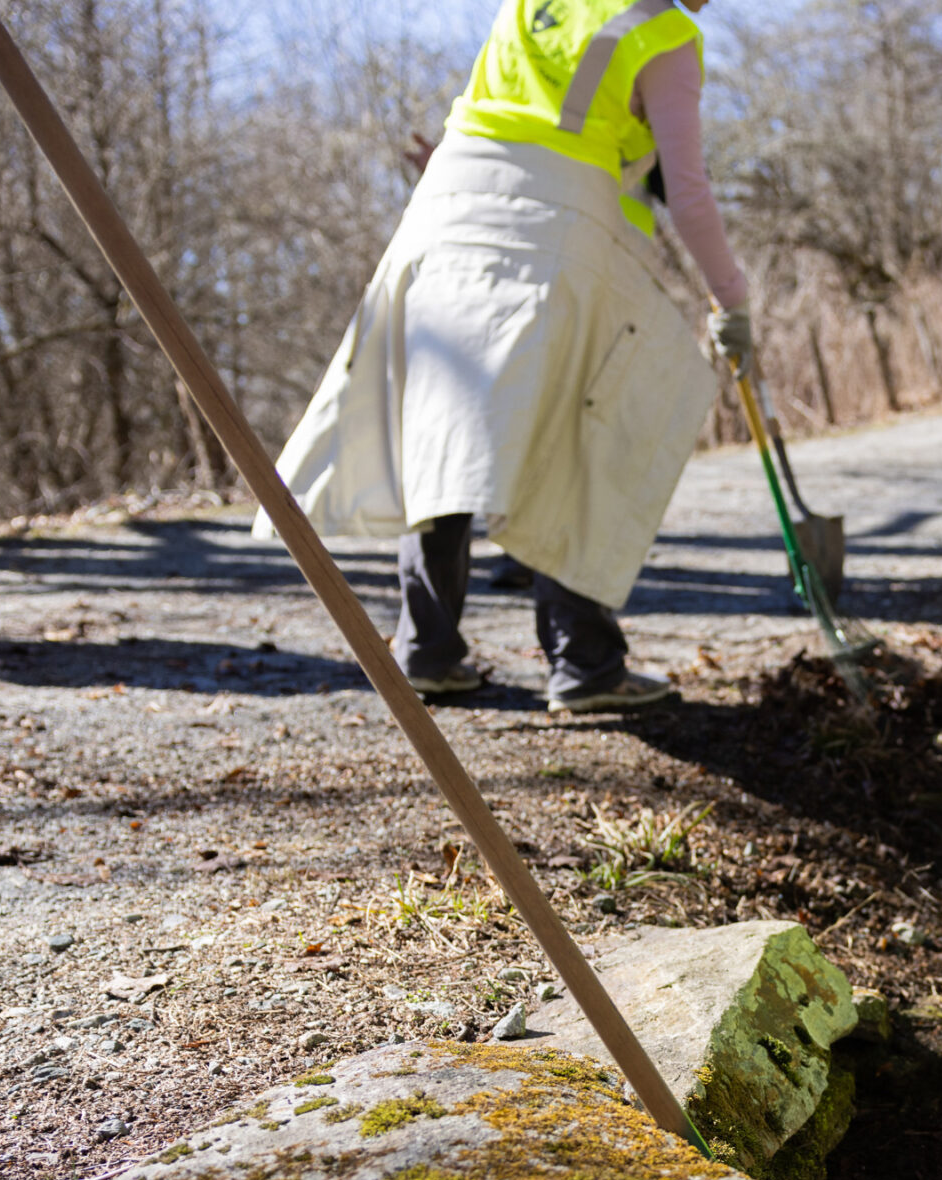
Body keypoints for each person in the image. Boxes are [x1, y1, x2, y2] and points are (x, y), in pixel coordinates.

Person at [264, 0, 749, 712]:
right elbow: (690, 191)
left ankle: (426, 650)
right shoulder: (666, 35)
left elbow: (514, 110)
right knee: (585, 426)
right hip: (554, 230)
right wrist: (732, 299)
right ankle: (585, 664)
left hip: (447, 211)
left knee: (444, 422)